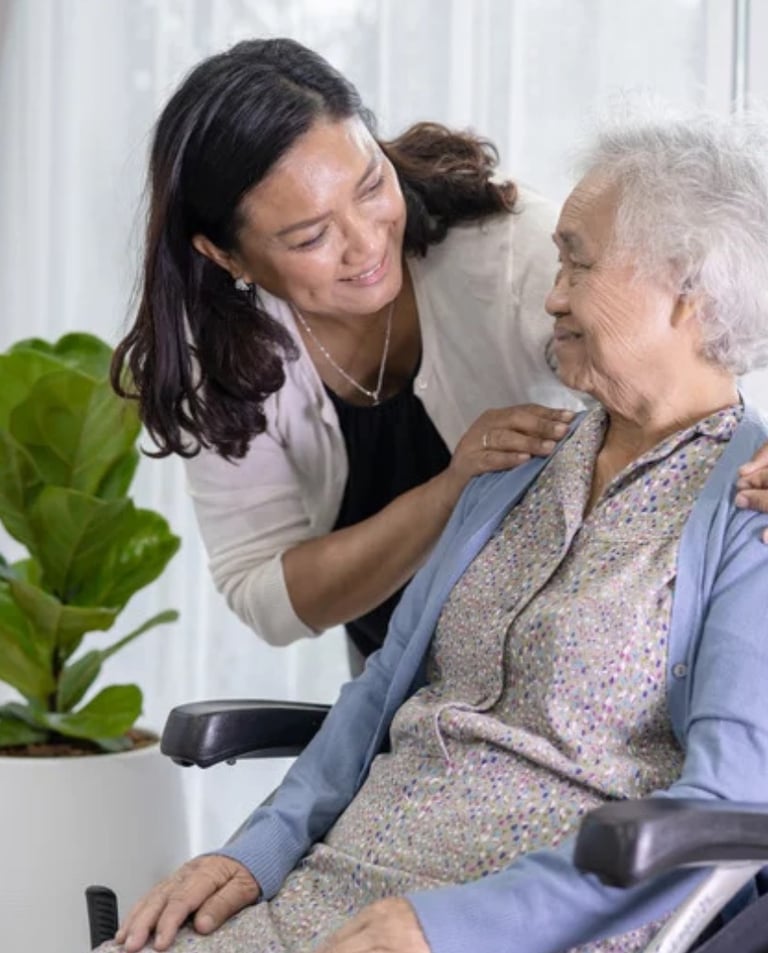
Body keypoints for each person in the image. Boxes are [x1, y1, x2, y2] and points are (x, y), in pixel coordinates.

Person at [104, 109, 768, 953]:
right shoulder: (516, 464)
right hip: (339, 893)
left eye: (577, 263)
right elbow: (381, 691)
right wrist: (255, 853)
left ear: (691, 292)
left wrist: (451, 927)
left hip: (517, 926)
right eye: (557, 257)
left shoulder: (750, 514)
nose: (552, 293)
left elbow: (728, 802)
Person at [110, 36, 587, 665]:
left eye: (369, 187)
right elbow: (265, 593)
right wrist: (450, 492)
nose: (366, 244)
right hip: (402, 703)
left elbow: (667, 381)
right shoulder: (222, 358)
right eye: (311, 236)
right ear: (225, 256)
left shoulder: (510, 252)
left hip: (563, 671)